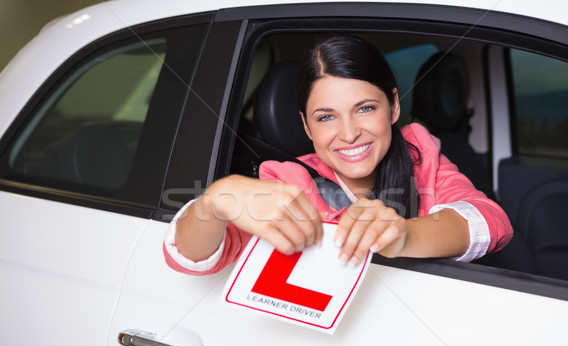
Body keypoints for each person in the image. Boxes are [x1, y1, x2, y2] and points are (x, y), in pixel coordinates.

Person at [163, 35, 513, 276]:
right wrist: (214, 201)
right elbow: (192, 259)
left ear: (393, 106)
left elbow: (490, 222)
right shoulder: (289, 182)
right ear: (306, 125)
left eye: (364, 109)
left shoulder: (419, 152)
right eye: (326, 117)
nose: (348, 133)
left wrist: (404, 235)